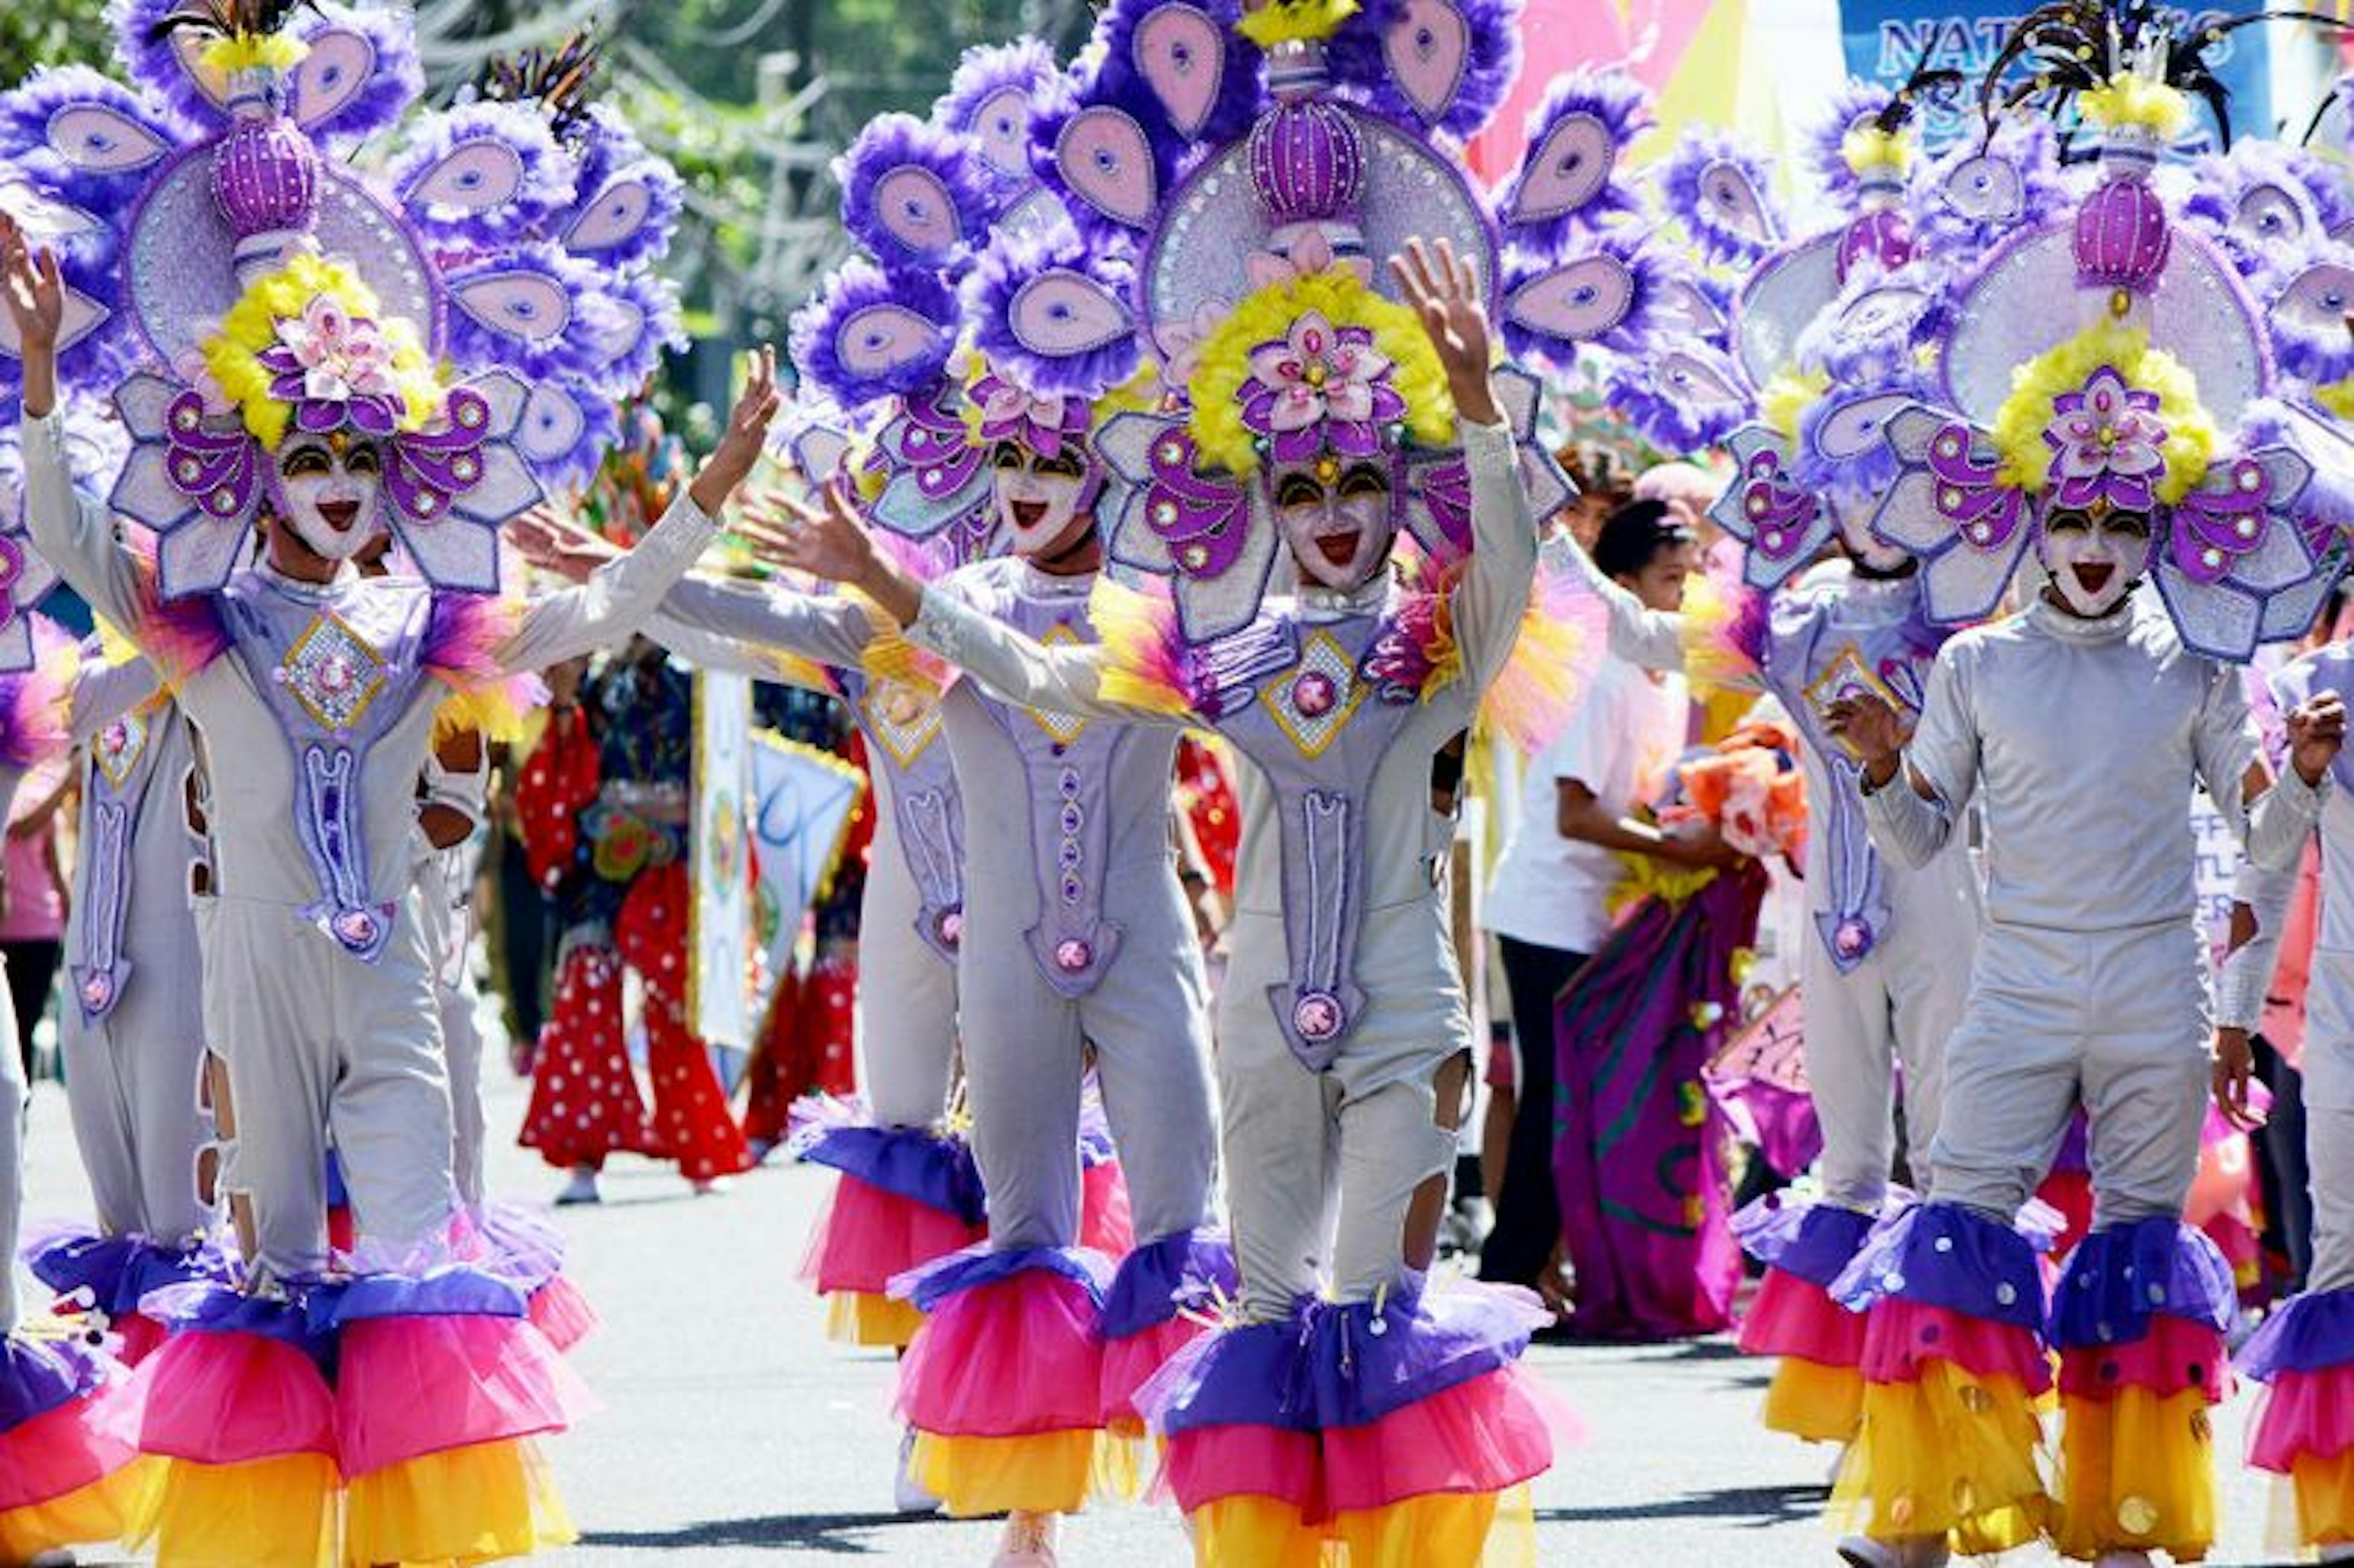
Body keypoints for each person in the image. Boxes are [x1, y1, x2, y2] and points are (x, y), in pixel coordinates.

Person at [1809, 17, 2354, 1557]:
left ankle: (2121, 1514)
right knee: (1955, 1223)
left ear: (2161, 511)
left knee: (2137, 1245)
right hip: (2018, 987)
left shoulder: (2194, 671)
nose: (2098, 539)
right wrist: (1866, 771)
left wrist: (2299, 789)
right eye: (2074, 508)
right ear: (2032, 506)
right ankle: (1921, 1518)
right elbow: (1922, 832)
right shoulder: (1974, 667)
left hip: (2155, 997)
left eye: (2126, 509)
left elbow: (2250, 843)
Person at [1480, 498, 1713, 1314]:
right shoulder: (1604, 672)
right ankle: (1507, 1277)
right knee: (1549, 1101)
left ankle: (1546, 1268)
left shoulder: (1668, 677)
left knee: (1577, 1105)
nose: (1685, 595)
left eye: (1693, 579)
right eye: (1671, 579)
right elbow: (1577, 813)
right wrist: (1679, 851)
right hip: (1547, 915)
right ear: (1621, 586)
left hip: (1600, 920)